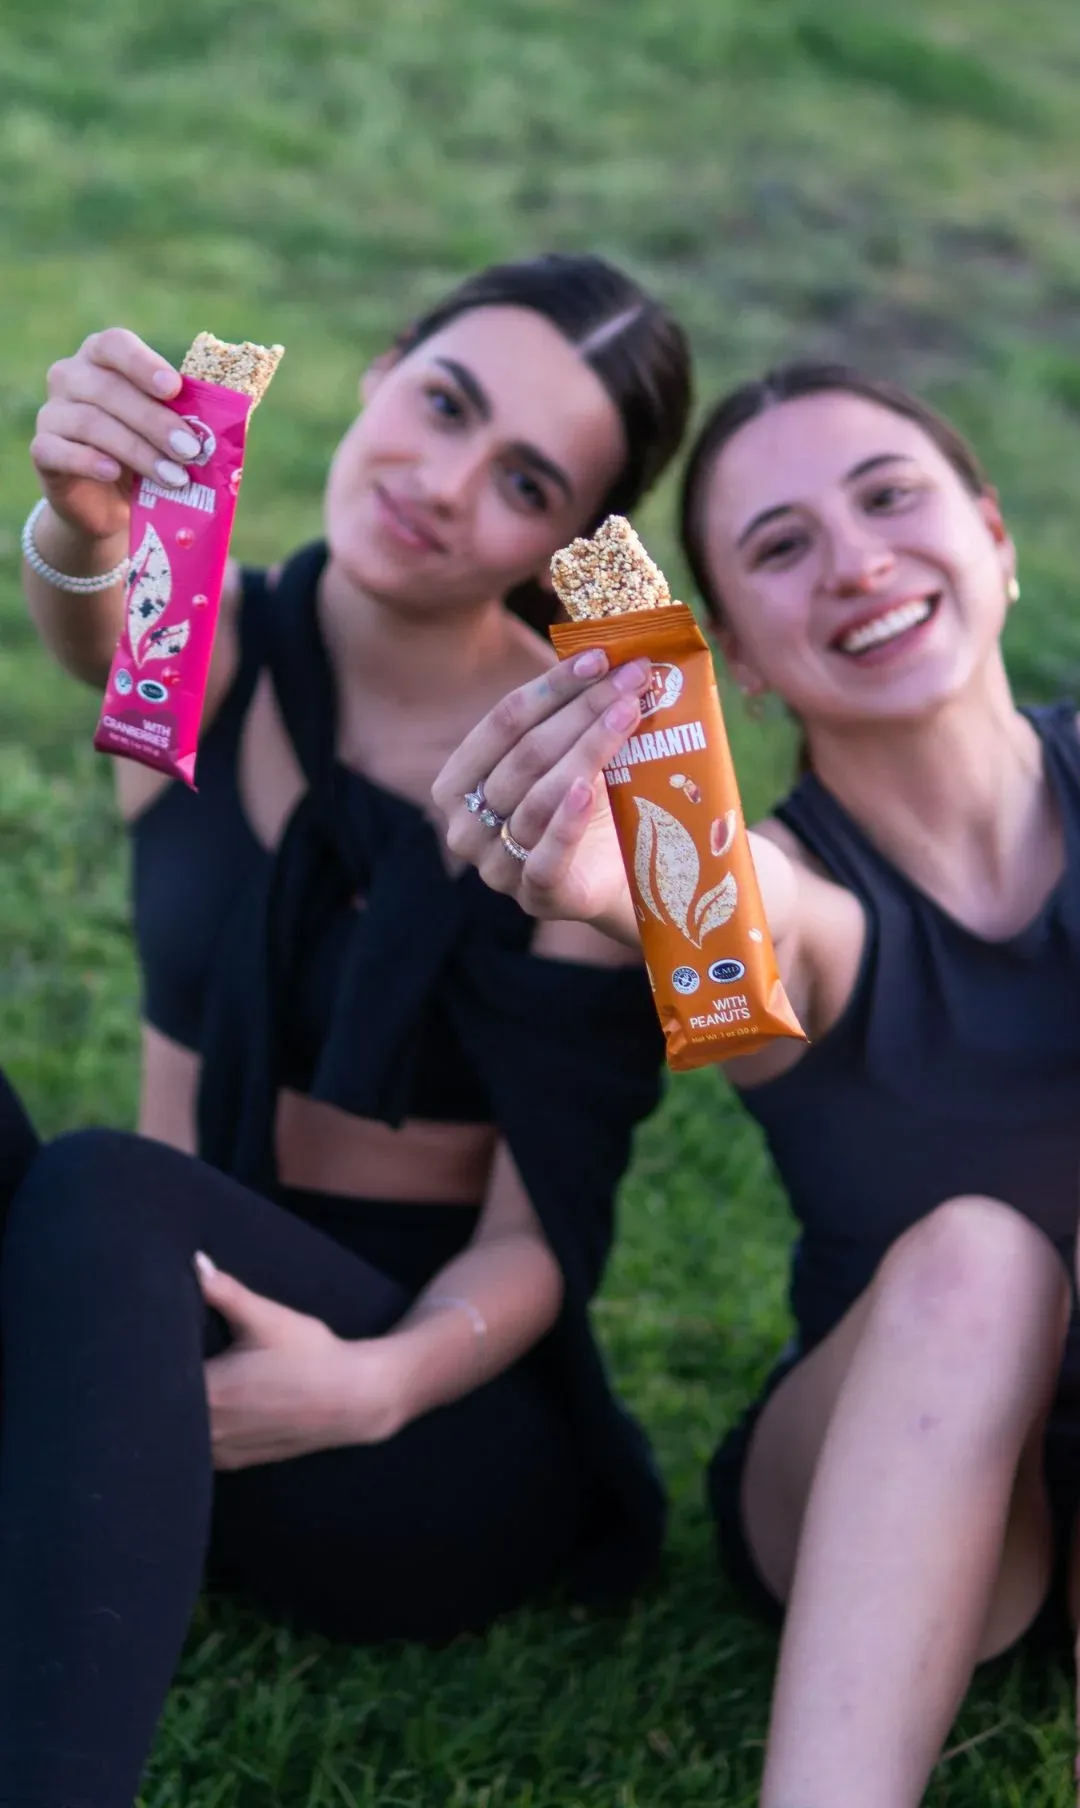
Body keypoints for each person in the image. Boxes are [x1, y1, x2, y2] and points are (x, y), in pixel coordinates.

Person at [15, 254, 692, 1808]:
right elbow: (92, 622)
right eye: (443, 402)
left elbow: (545, 1233)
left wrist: (368, 1385)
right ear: (383, 370)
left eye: (523, 478)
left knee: (107, 1186)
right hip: (154, 1305)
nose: (447, 484)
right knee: (103, 1203)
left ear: (567, 543)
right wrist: (76, 519)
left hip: (416, 1411)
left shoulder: (582, 773)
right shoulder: (218, 650)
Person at [433, 359, 1080, 1807]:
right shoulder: (788, 887)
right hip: (884, 1473)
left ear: (994, 537)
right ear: (740, 653)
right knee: (984, 1259)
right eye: (783, 545)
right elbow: (747, 919)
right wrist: (634, 889)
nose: (855, 562)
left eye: (892, 499)